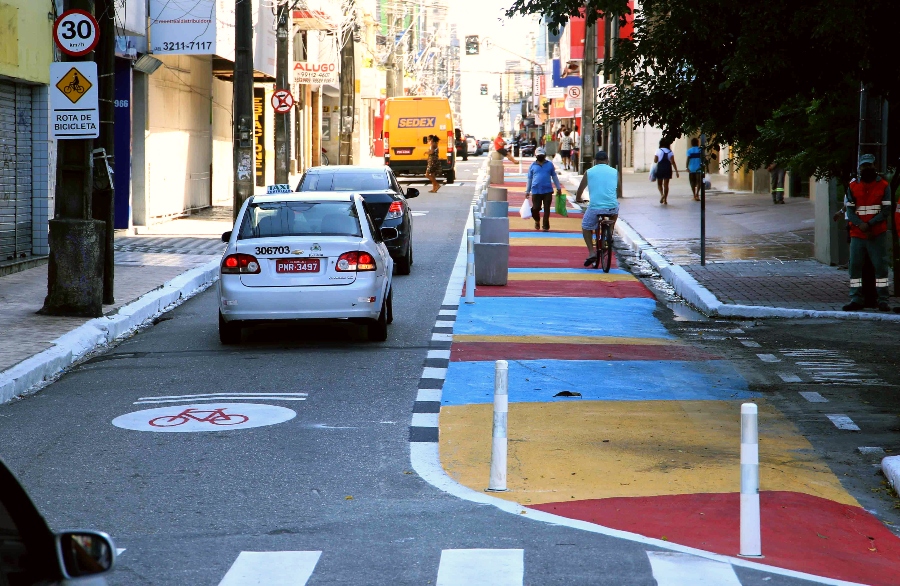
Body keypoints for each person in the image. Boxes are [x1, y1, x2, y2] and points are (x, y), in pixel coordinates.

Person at [843, 154, 891, 312]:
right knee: (855, 267)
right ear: (860, 168)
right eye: (864, 166)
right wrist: (860, 225)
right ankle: (856, 298)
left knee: (881, 267)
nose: (867, 169)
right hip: (858, 234)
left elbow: (886, 210)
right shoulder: (853, 186)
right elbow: (849, 210)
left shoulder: (884, 185)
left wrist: (868, 225)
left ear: (874, 166)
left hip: (876, 233)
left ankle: (883, 299)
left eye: (869, 165)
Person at [576, 151, 619, 266]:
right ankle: (610, 231)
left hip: (595, 207)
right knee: (615, 209)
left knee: (585, 226)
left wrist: (578, 199)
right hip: (611, 207)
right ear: (607, 160)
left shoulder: (589, 172)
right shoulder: (614, 171)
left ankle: (591, 253)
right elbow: (617, 190)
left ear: (595, 161)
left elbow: (580, 190)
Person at [524, 147, 563, 232]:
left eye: (541, 155)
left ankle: (545, 225)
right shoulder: (532, 166)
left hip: (547, 191)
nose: (540, 157)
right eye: (538, 155)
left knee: (547, 209)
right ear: (535, 156)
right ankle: (537, 220)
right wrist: (527, 191)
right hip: (535, 190)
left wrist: (558, 187)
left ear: (544, 155)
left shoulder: (549, 165)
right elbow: (529, 179)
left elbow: (554, 176)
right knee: (535, 208)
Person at [654, 139, 679, 205]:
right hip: (668, 168)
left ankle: (662, 194)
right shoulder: (670, 152)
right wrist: (676, 171)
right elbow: (673, 162)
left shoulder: (658, 151)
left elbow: (655, 161)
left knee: (659, 184)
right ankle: (665, 200)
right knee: (666, 185)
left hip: (660, 168)